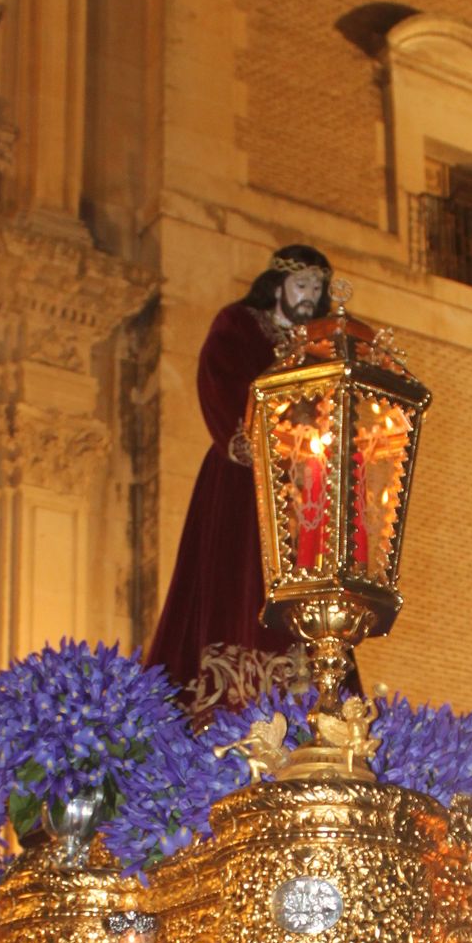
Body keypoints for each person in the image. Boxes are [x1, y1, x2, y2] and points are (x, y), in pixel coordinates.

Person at [145, 243, 332, 702]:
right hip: (242, 479)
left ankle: (307, 687)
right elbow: (219, 378)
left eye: (316, 288)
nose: (309, 296)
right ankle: (232, 691)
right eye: (302, 284)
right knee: (236, 576)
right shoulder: (238, 324)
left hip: (301, 489)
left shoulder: (320, 345)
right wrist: (260, 441)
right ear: (278, 285)